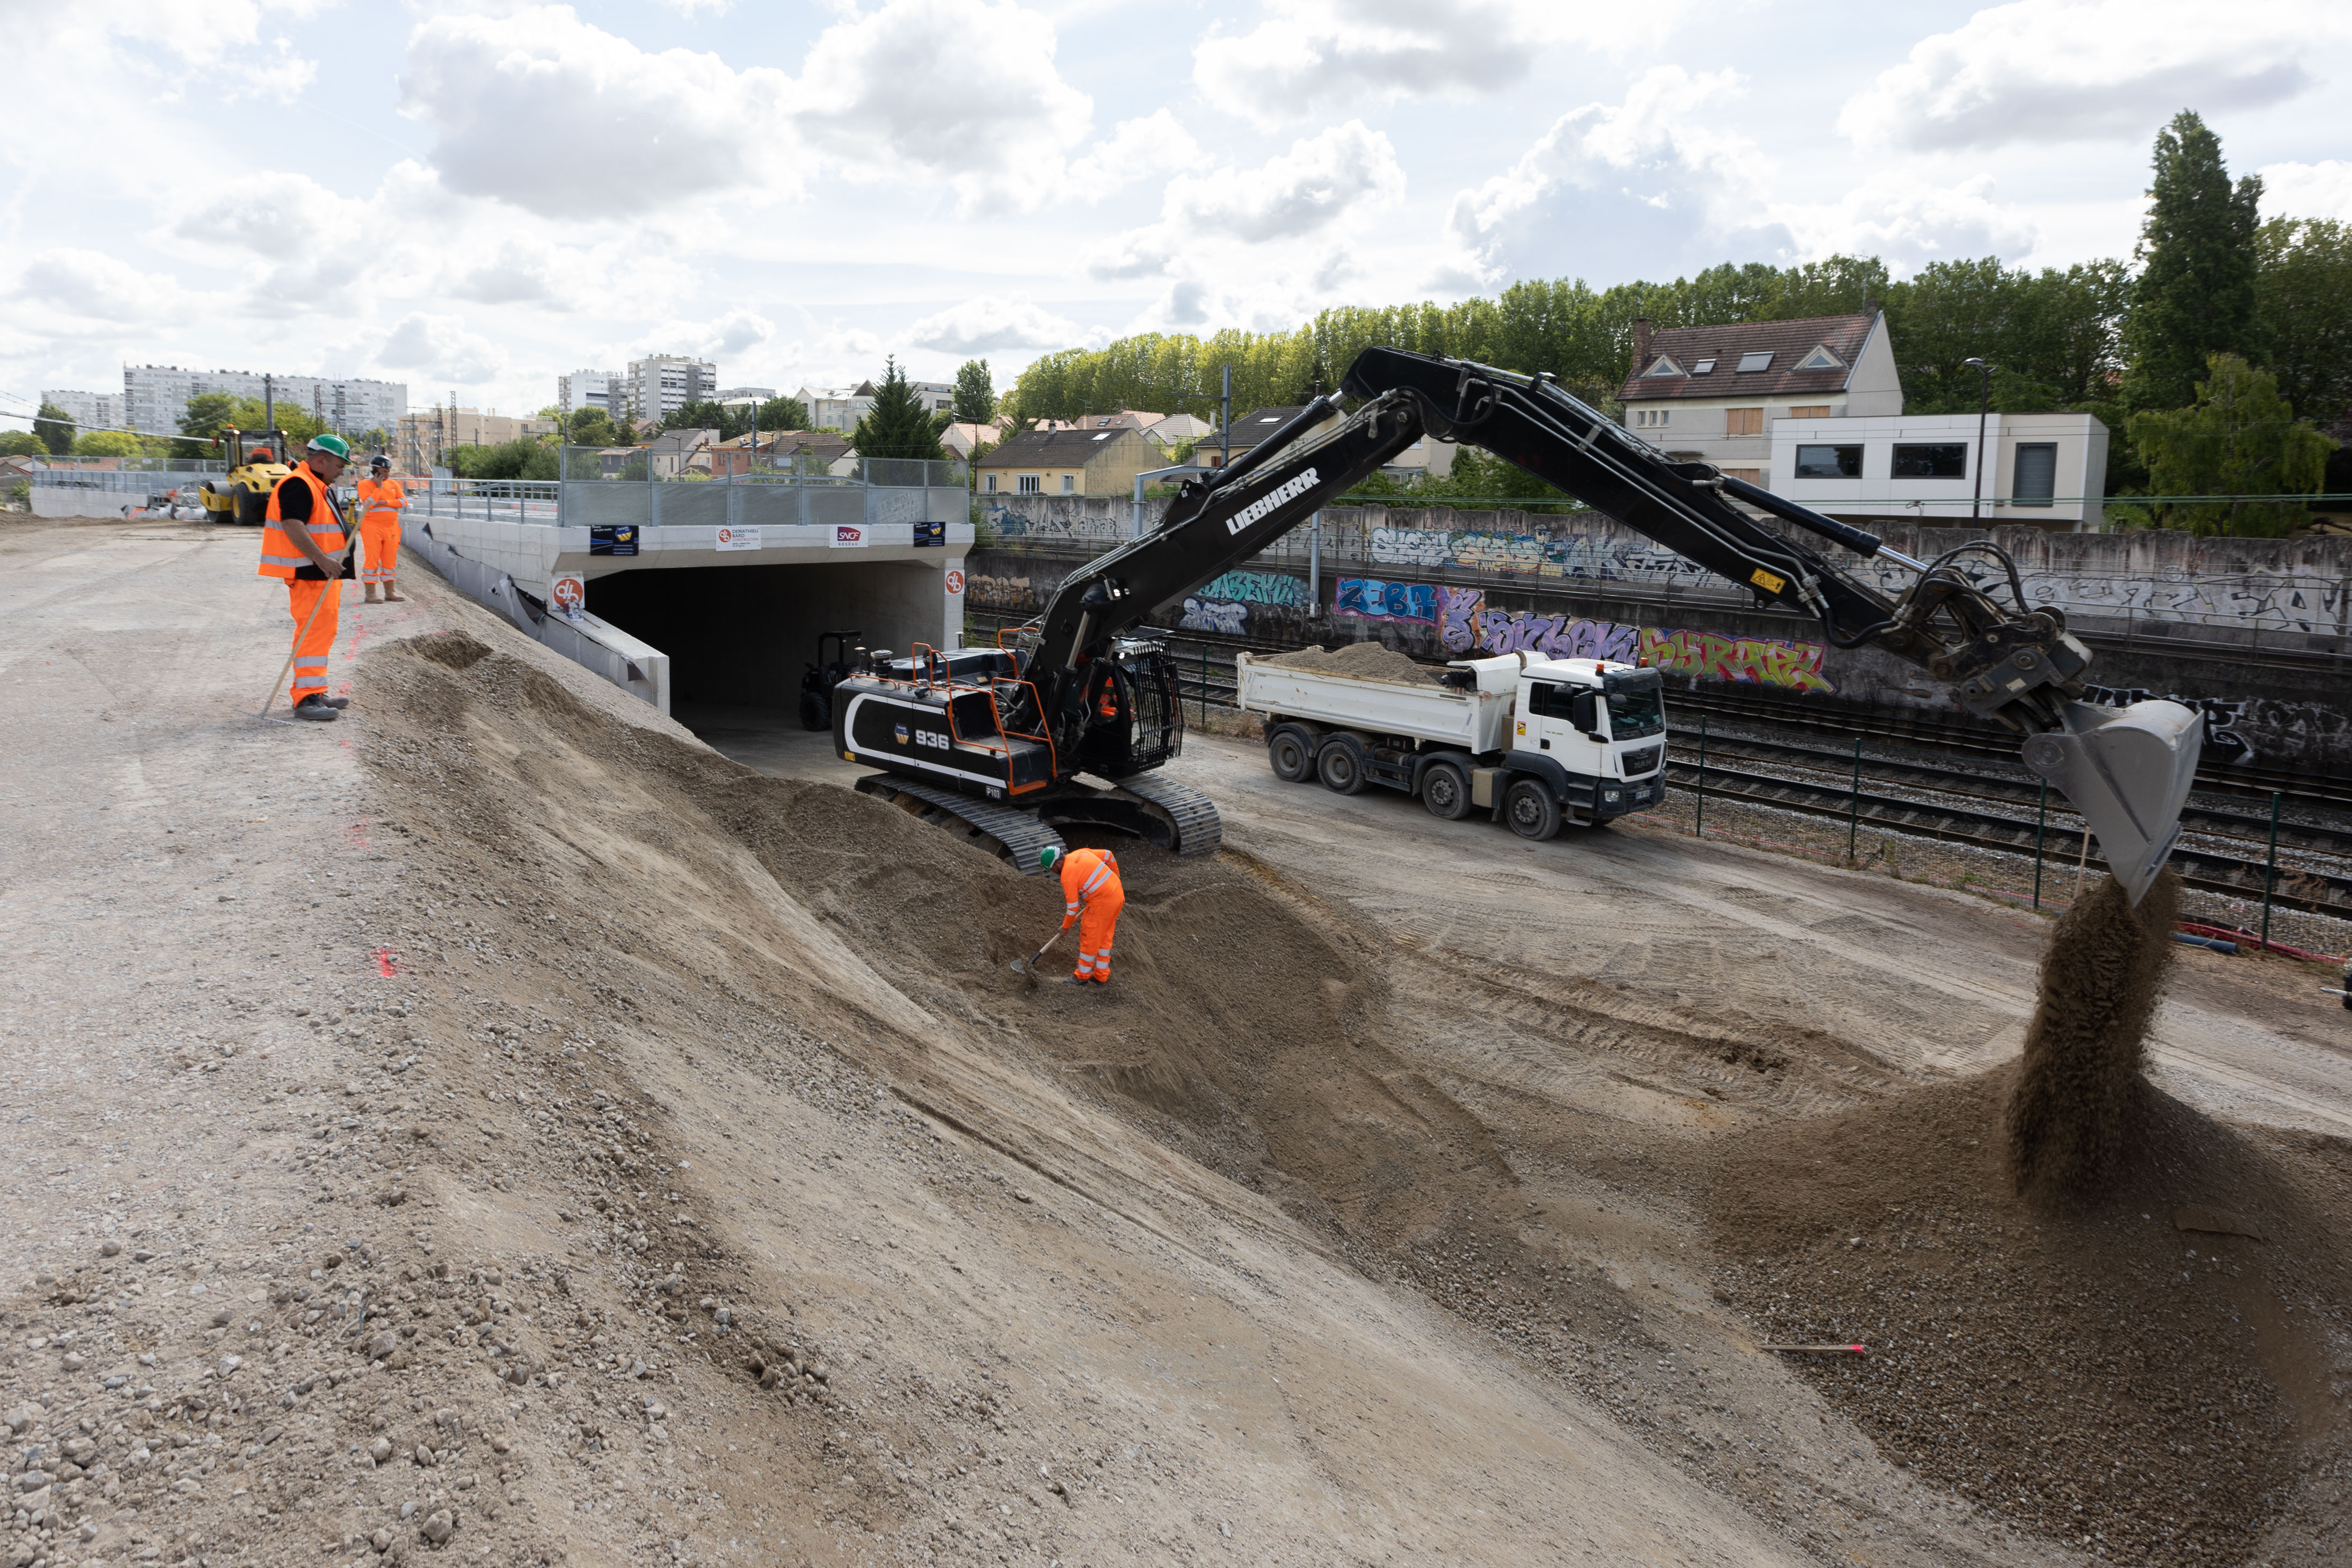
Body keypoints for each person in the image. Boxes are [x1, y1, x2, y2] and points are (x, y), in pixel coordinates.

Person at [257, 433, 355, 722]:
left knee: (322, 632)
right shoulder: (299, 484)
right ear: (322, 460)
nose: (343, 470)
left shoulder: (318, 485)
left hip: (322, 575)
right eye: (340, 464)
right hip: (311, 573)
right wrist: (322, 559)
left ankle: (315, 691)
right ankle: (306, 698)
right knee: (312, 633)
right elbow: (292, 524)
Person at [1040, 844, 1123, 986]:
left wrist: (1065, 927)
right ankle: (1101, 976)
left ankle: (1082, 976)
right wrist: (1115, 879)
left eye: (1052, 869)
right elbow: (1109, 855)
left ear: (1058, 863)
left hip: (1102, 902)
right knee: (1104, 937)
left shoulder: (1067, 875)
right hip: (1117, 895)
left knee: (1089, 936)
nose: (1053, 872)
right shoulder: (1081, 853)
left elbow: (1073, 907)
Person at [355, 454, 407, 604]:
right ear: (375, 470)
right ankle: (370, 594)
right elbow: (369, 505)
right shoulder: (364, 485)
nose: (386, 473)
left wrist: (384, 502)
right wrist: (378, 489)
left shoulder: (393, 484)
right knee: (371, 561)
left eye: (388, 470)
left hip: (391, 528)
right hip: (372, 528)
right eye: (383, 470)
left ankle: (390, 593)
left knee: (389, 561)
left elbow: (403, 502)